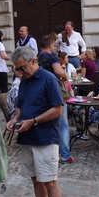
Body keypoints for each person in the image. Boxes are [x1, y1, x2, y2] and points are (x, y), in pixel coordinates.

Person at [7, 47, 67, 197]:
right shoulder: (25, 81)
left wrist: (33, 121)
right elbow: (20, 106)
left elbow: (57, 109)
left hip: (45, 138)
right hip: (27, 137)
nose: (20, 73)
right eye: (17, 70)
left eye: (22, 68)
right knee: (36, 179)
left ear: (34, 61)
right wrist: (14, 118)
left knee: (49, 180)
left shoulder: (49, 79)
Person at [38, 35, 72, 163]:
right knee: (63, 124)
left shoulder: (37, 58)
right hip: (55, 92)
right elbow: (58, 72)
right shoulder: (52, 57)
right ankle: (65, 154)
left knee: (47, 122)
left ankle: (48, 152)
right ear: (51, 44)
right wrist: (65, 75)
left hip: (42, 93)